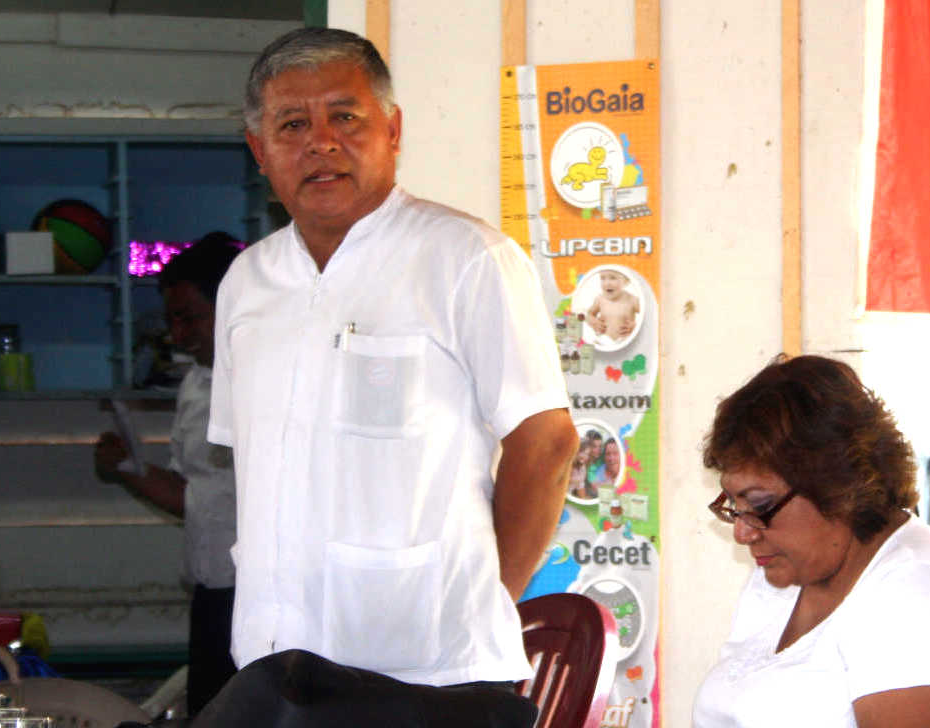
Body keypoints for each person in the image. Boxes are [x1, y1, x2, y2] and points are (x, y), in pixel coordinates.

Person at [209, 27, 578, 687]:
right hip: (273, 665)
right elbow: (260, 468)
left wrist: (483, 605)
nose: (321, 142)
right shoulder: (246, 285)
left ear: (392, 129)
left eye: (345, 117)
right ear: (258, 152)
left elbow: (545, 444)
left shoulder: (467, 259)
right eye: (292, 124)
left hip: (432, 675)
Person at [692, 355, 930, 728]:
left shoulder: (924, 597)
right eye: (735, 505)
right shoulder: (783, 577)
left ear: (838, 486)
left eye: (760, 504)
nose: (742, 531)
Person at [93, 233, 242, 717]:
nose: (177, 335)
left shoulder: (267, 384)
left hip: (259, 596)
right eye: (172, 319)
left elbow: (210, 500)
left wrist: (130, 474)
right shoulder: (197, 384)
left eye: (189, 317)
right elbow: (191, 492)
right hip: (211, 588)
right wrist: (126, 467)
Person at [584, 269, 639, 340]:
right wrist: (592, 321)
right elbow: (589, 314)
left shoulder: (632, 300)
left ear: (626, 281)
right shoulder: (600, 299)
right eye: (602, 278)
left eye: (613, 278)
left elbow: (648, 317)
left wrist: (636, 326)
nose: (607, 283)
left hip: (626, 341)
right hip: (605, 341)